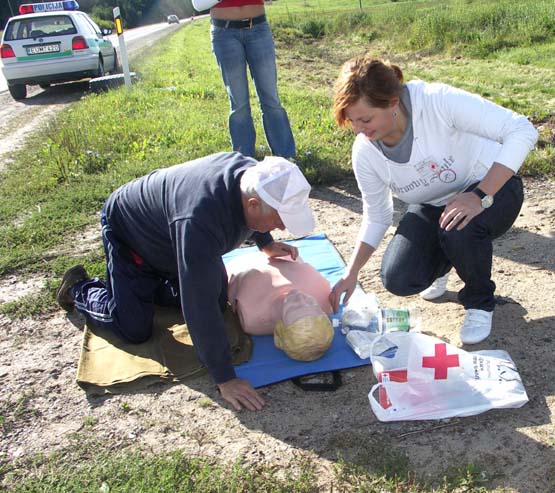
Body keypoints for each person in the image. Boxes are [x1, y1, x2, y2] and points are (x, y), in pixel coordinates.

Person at [56, 152, 315, 412]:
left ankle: (151, 284)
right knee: (134, 328)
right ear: (252, 204)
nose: (282, 227)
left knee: (216, 300)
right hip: (131, 234)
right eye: (280, 220)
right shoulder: (200, 220)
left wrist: (266, 243)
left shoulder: (257, 177)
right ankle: (79, 287)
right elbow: (199, 303)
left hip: (173, 235)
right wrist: (225, 378)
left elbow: (261, 207)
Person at [329, 54, 538, 345]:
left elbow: (522, 129)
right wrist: (350, 273)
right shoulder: (365, 152)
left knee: (461, 229)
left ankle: (479, 301)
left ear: (392, 102)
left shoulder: (436, 101)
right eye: (352, 121)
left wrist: (479, 195)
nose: (359, 130)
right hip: (435, 205)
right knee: (398, 279)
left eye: (365, 119)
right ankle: (449, 258)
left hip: (493, 189)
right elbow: (377, 215)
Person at [209, 0, 296, 158]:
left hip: (258, 27)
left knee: (271, 98)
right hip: (224, 32)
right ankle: (243, 159)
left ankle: (285, 157)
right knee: (239, 103)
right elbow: (198, 4)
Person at [227, 252, 334, 361]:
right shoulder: (323, 293)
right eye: (313, 304)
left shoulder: (249, 313)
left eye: (295, 307)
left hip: (243, 263)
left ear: (281, 327)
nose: (300, 298)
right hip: (278, 252)